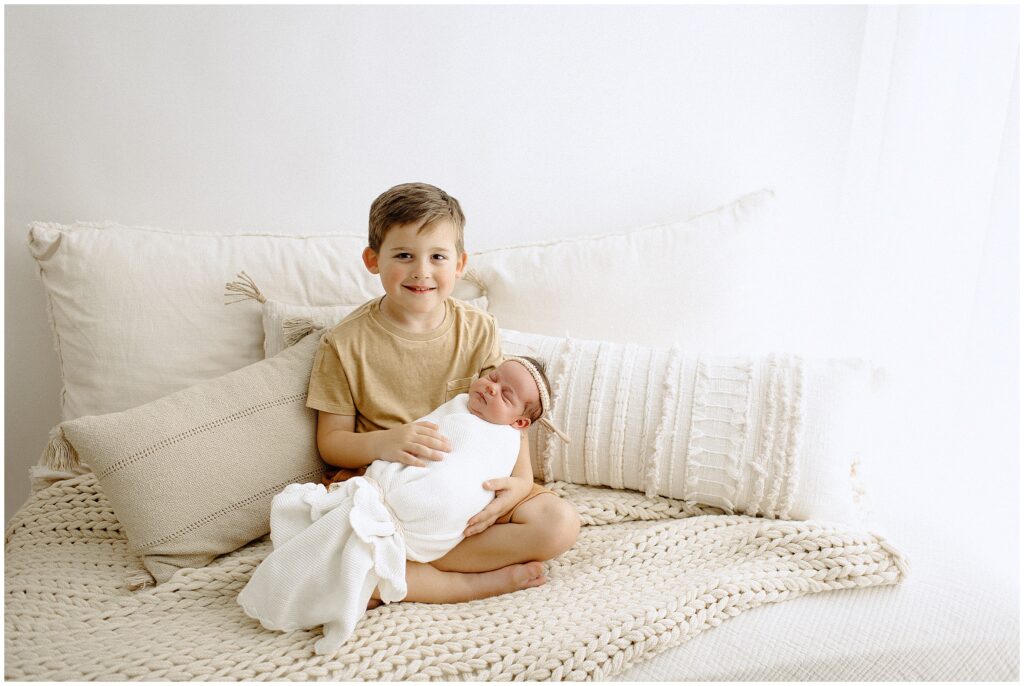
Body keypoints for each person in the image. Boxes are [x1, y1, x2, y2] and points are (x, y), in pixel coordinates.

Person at [306, 182, 580, 606]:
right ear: (373, 260)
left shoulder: (477, 328)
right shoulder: (344, 344)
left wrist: (520, 483)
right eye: (403, 256)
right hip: (396, 492)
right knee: (336, 570)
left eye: (437, 256)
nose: (422, 271)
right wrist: (388, 441)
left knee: (559, 525)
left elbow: (509, 421)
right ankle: (463, 581)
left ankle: (413, 566)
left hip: (470, 485)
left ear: (460, 264)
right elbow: (332, 443)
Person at [237, 357, 569, 653]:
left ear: (520, 423)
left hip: (444, 532)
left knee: (558, 523)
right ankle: (384, 577)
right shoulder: (461, 404)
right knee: (338, 548)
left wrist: (523, 484)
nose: (491, 388)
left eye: (505, 394)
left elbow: (517, 464)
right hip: (384, 498)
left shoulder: (511, 433)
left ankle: (452, 581)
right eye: (492, 377)